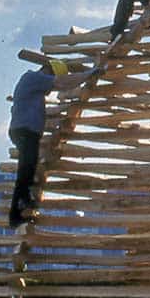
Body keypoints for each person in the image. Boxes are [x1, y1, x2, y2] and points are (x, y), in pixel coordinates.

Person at [8, 58, 97, 227]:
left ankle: (23, 203)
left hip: (25, 132)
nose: (51, 91)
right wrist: (88, 74)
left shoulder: (34, 88)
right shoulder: (33, 78)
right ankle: (16, 214)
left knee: (27, 171)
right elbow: (63, 83)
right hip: (25, 132)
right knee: (25, 172)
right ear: (48, 71)